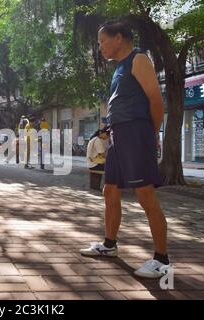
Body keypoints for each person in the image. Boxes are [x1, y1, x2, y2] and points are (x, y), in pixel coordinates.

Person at [79, 20, 172, 279]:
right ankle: (109, 245)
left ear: (119, 37)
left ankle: (162, 260)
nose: (100, 47)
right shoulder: (119, 67)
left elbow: (155, 100)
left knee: (145, 195)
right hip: (119, 135)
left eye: (102, 41)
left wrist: (151, 136)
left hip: (136, 132)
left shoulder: (138, 59)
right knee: (109, 190)